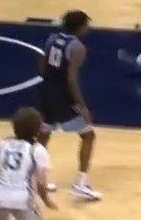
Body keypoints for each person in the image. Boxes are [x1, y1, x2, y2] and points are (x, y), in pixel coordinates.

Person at [34, 10, 100, 200]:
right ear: (79, 27)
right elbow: (71, 79)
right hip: (63, 96)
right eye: (86, 24)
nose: (88, 27)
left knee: (44, 135)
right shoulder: (78, 47)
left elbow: (42, 61)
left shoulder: (52, 38)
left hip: (46, 91)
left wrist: (50, 81)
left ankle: (36, 179)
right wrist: (81, 105)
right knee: (88, 136)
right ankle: (80, 183)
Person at [0, 107, 56, 220]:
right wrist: (46, 200)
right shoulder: (38, 150)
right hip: (23, 200)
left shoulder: (0, 143)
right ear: (38, 129)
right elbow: (41, 183)